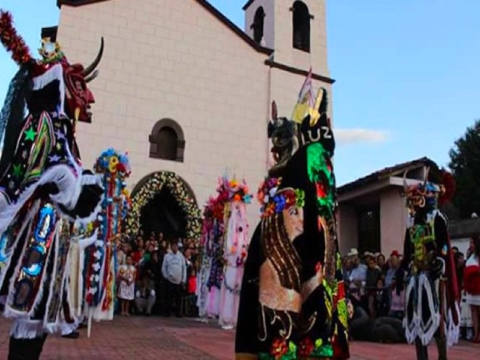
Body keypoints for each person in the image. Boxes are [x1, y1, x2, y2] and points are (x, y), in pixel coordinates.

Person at [0, 12, 104, 359]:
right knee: (29, 322)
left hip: (50, 242)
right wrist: (79, 194)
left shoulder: (60, 130)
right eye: (79, 87)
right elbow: (23, 182)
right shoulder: (47, 124)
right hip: (38, 242)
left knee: (37, 323)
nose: (86, 99)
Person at [235, 88, 349, 359]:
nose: (327, 180)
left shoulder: (315, 216)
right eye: (321, 176)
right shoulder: (286, 211)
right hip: (291, 324)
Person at [401, 169, 459, 360]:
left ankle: (442, 356)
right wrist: (403, 268)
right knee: (416, 319)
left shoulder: (437, 218)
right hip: (415, 276)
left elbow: (443, 245)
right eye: (410, 201)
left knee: (437, 316)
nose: (412, 206)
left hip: (434, 276)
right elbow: (408, 250)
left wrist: (438, 261)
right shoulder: (411, 224)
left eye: (415, 200)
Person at [162, 241, 187, 317]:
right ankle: (167, 312)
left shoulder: (181, 256)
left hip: (178, 280)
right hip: (169, 280)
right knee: (169, 297)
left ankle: (178, 312)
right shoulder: (167, 256)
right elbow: (164, 267)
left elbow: (184, 268)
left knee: (178, 298)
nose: (175, 248)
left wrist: (183, 279)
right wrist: (166, 276)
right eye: (173, 246)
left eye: (176, 246)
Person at [464, 235, 480, 343]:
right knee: (473, 310)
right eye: (470, 243)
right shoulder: (470, 256)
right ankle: (476, 333)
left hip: (478, 286)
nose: (471, 245)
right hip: (471, 287)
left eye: (472, 243)